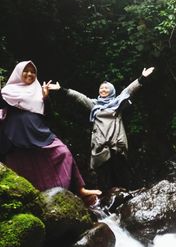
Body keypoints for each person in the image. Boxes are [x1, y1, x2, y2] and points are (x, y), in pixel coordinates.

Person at [0, 61, 101, 203]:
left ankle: (80, 189)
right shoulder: (7, 91)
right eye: (26, 71)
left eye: (32, 71)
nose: (30, 74)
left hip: (38, 131)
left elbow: (48, 115)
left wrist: (46, 98)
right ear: (18, 72)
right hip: (15, 134)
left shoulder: (38, 90)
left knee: (63, 152)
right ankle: (33, 199)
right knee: (21, 166)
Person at [48, 67, 155, 191]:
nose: (103, 90)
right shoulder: (94, 105)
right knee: (105, 181)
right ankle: (108, 204)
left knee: (122, 177)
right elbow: (80, 97)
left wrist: (142, 78)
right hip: (101, 147)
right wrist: (62, 90)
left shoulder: (118, 103)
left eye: (106, 88)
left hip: (116, 146)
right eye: (101, 88)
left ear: (111, 91)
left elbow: (129, 91)